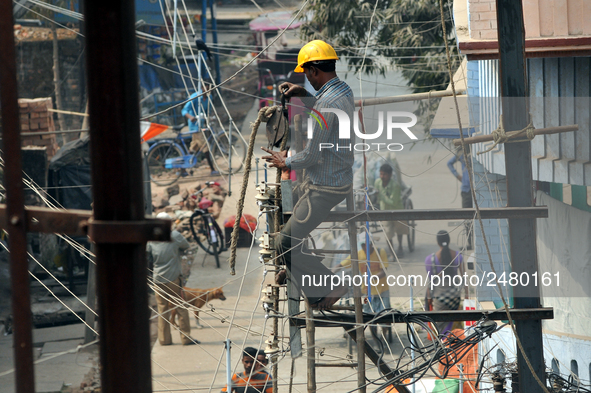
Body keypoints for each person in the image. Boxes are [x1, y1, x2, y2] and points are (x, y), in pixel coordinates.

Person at [261, 40, 354, 310]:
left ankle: (332, 283)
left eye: (305, 74)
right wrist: (305, 95)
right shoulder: (341, 91)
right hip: (337, 178)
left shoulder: (327, 103)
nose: (306, 78)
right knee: (285, 223)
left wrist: (285, 160)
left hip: (325, 189)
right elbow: (328, 115)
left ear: (314, 71)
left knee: (284, 243)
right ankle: (296, 271)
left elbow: (311, 156)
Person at [147, 212, 197, 346]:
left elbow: (148, 256)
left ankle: (164, 340)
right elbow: (186, 246)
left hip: (158, 279)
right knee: (181, 307)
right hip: (173, 278)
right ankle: (185, 338)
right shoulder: (174, 235)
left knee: (162, 309)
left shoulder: (151, 237)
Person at [335, 234, 392, 341]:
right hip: (367, 291)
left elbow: (384, 271)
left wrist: (372, 278)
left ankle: (384, 336)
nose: (364, 247)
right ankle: (376, 339)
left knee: (384, 317)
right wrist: (330, 273)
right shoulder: (358, 255)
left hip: (383, 290)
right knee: (370, 317)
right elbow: (341, 265)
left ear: (371, 245)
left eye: (366, 245)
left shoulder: (380, 252)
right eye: (362, 245)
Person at [424, 230, 469, 336]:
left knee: (442, 326)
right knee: (454, 321)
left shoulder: (430, 259)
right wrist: (467, 295)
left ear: (438, 242)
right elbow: (464, 278)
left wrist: (429, 298)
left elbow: (431, 282)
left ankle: (444, 346)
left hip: (439, 298)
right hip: (454, 297)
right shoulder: (458, 256)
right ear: (449, 241)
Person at [181, 83, 219, 176]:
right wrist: (190, 117)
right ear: (202, 87)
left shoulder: (209, 98)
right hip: (195, 126)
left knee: (193, 148)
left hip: (201, 125)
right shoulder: (195, 97)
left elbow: (207, 112)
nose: (209, 90)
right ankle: (212, 169)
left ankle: (182, 169)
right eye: (207, 87)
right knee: (205, 147)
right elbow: (184, 110)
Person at [374, 163, 408, 257]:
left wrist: (380, 195)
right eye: (381, 174)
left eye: (384, 174)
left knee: (399, 230)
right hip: (384, 211)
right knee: (387, 233)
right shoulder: (377, 182)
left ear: (389, 175)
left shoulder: (396, 186)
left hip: (396, 211)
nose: (382, 176)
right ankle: (392, 252)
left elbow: (393, 202)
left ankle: (400, 246)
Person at [447, 147, 473, 249]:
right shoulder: (462, 153)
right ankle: (469, 242)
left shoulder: (475, 151)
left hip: (475, 188)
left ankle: (474, 241)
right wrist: (458, 176)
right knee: (467, 218)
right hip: (466, 189)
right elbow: (449, 163)